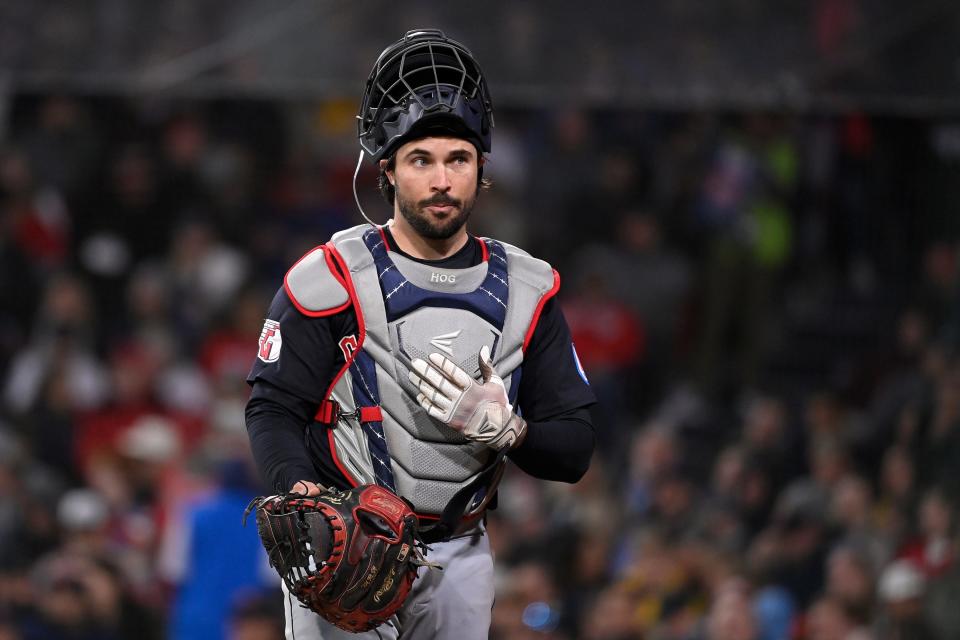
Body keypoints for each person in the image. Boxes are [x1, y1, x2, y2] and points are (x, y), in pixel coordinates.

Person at [244, 29, 596, 640]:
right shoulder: (330, 277)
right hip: (345, 547)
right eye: (421, 160)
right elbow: (271, 407)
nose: (441, 180)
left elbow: (574, 450)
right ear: (387, 171)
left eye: (458, 160)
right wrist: (304, 498)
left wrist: (509, 431)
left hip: (458, 555)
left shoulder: (530, 290)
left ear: (481, 169)